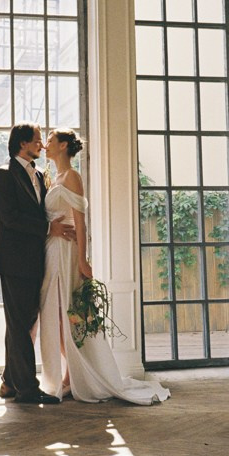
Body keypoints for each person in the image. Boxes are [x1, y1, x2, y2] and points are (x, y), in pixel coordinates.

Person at [39, 128, 171, 405]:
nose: (45, 144)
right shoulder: (52, 178)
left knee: (70, 314)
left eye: (50, 140)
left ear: (63, 146)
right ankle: (72, 372)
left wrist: (83, 260)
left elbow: (81, 223)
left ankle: (74, 376)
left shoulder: (72, 176)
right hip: (51, 251)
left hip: (67, 252)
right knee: (55, 314)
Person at [0, 122, 75, 405]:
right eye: (37, 140)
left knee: (22, 324)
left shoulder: (39, 174)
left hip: (39, 261)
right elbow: (10, 218)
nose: (41, 144)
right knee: (19, 325)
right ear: (22, 143)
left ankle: (9, 382)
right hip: (15, 262)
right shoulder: (3, 175)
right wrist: (49, 228)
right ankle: (27, 390)